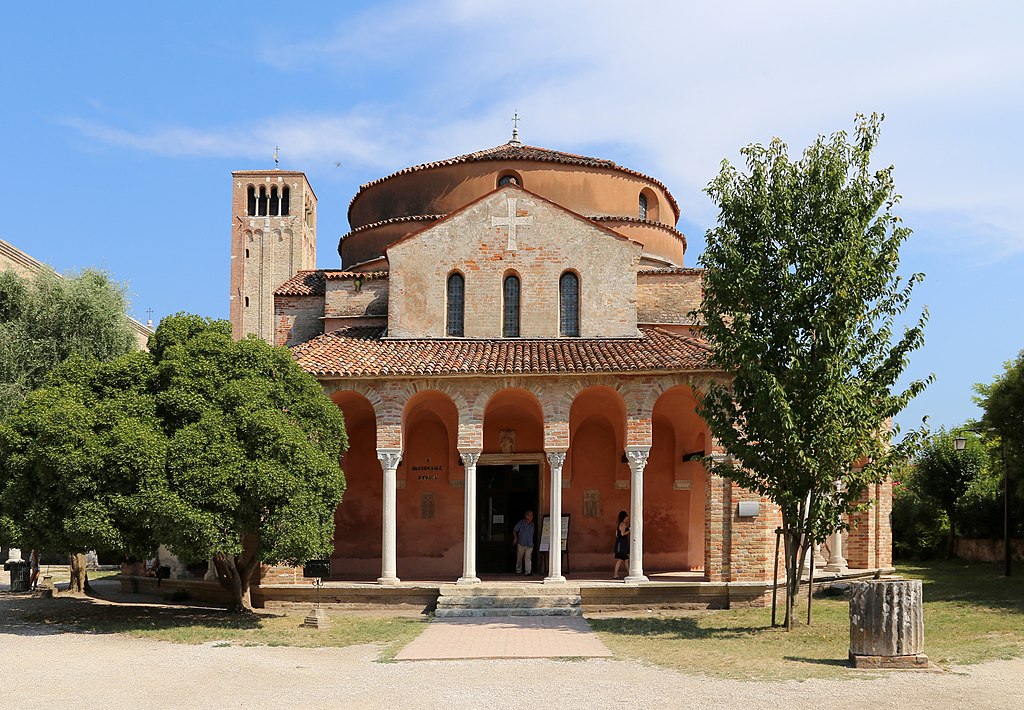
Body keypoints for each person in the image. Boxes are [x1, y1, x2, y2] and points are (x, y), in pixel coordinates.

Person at [512, 510, 535, 576]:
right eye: (529, 515)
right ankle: (518, 571)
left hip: (529, 544)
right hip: (521, 543)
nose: (531, 517)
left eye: (532, 515)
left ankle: (528, 572)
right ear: (526, 516)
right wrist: (515, 538)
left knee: (528, 558)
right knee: (519, 557)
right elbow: (515, 530)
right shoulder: (521, 522)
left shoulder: (533, 524)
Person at [613, 511, 630, 579]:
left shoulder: (619, 524)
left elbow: (617, 534)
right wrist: (629, 530)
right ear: (624, 517)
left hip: (620, 542)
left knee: (626, 559)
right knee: (620, 559)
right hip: (622, 543)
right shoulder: (623, 524)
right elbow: (622, 533)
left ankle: (629, 573)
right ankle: (615, 574)